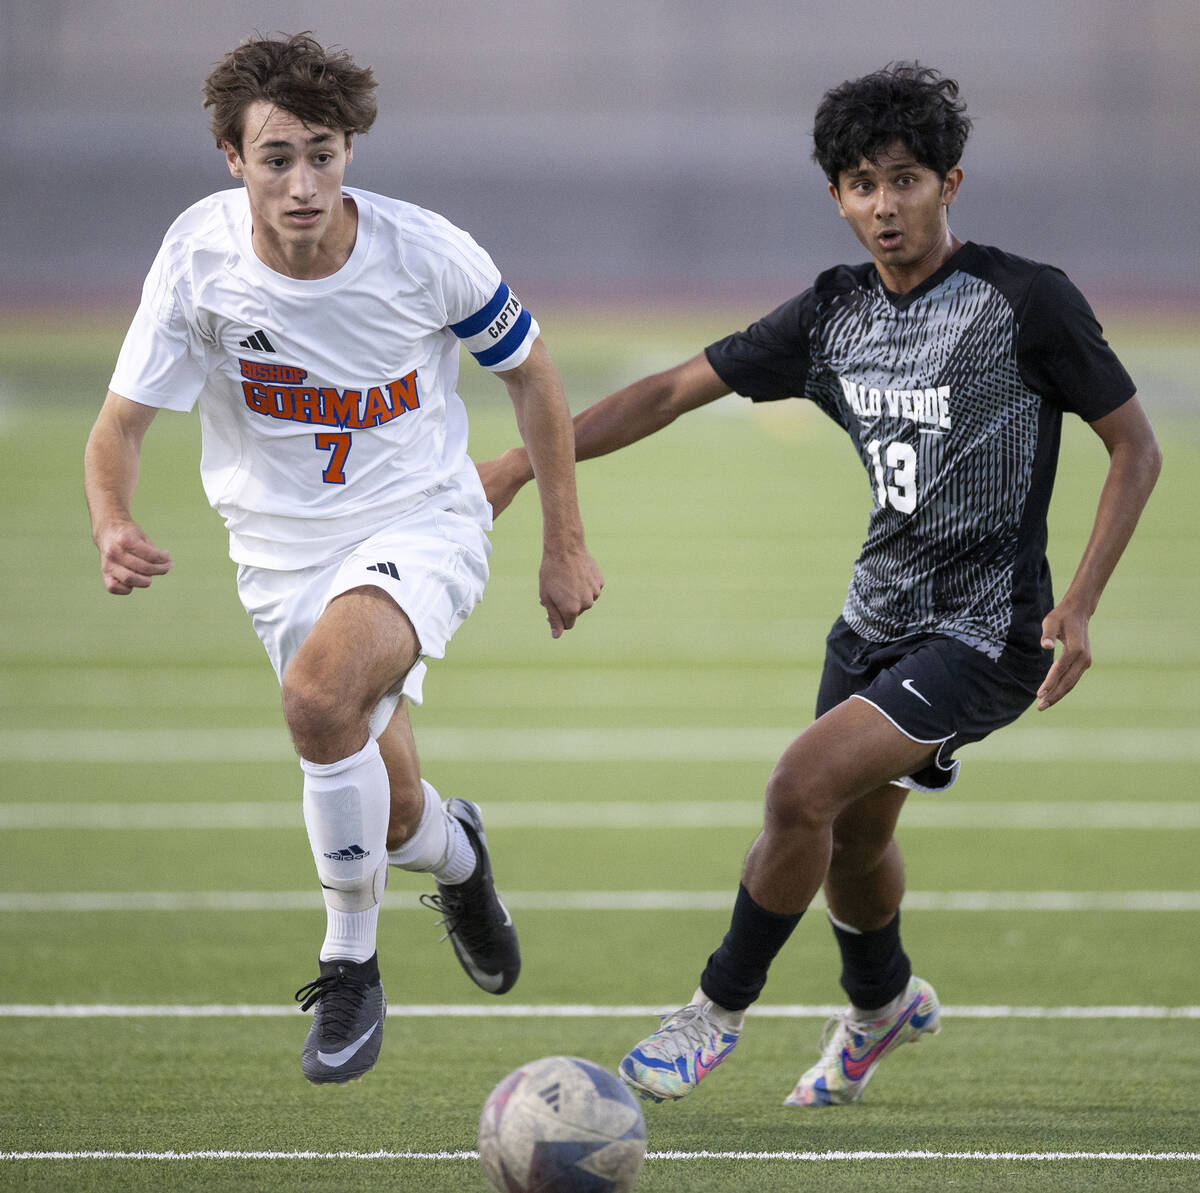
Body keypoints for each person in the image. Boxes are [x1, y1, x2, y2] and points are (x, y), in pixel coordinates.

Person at [478, 62, 1161, 1107]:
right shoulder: (831, 313)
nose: (883, 206)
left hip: (983, 635)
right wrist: (527, 462)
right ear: (835, 197)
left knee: (799, 785)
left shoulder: (1027, 301)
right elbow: (669, 389)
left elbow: (1135, 446)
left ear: (950, 182)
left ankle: (715, 1009)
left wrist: (1085, 597)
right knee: (851, 836)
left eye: (904, 179)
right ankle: (884, 1003)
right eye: (859, 184)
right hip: (871, 619)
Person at [84, 32, 603, 1086]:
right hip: (278, 556)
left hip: (423, 521)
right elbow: (120, 426)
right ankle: (460, 858)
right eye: (277, 158)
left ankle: (350, 966)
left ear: (351, 147)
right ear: (234, 160)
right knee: (395, 806)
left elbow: (536, 377)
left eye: (323, 152)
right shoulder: (199, 258)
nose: (304, 181)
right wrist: (110, 519)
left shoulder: (426, 253)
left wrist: (564, 543)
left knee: (318, 698)